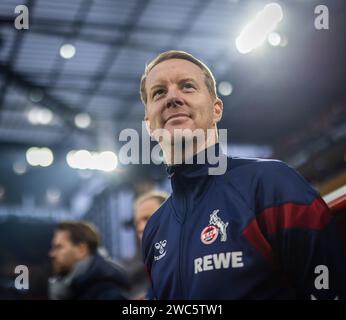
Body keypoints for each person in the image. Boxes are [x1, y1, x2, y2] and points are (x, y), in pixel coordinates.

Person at [139, 50, 346, 299]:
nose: (172, 97)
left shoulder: (271, 185)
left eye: (187, 86)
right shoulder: (154, 230)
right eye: (159, 92)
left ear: (216, 109)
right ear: (149, 125)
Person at [48, 221, 129, 300]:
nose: (52, 254)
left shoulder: (107, 294)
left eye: (59, 247)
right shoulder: (76, 290)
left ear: (81, 250)